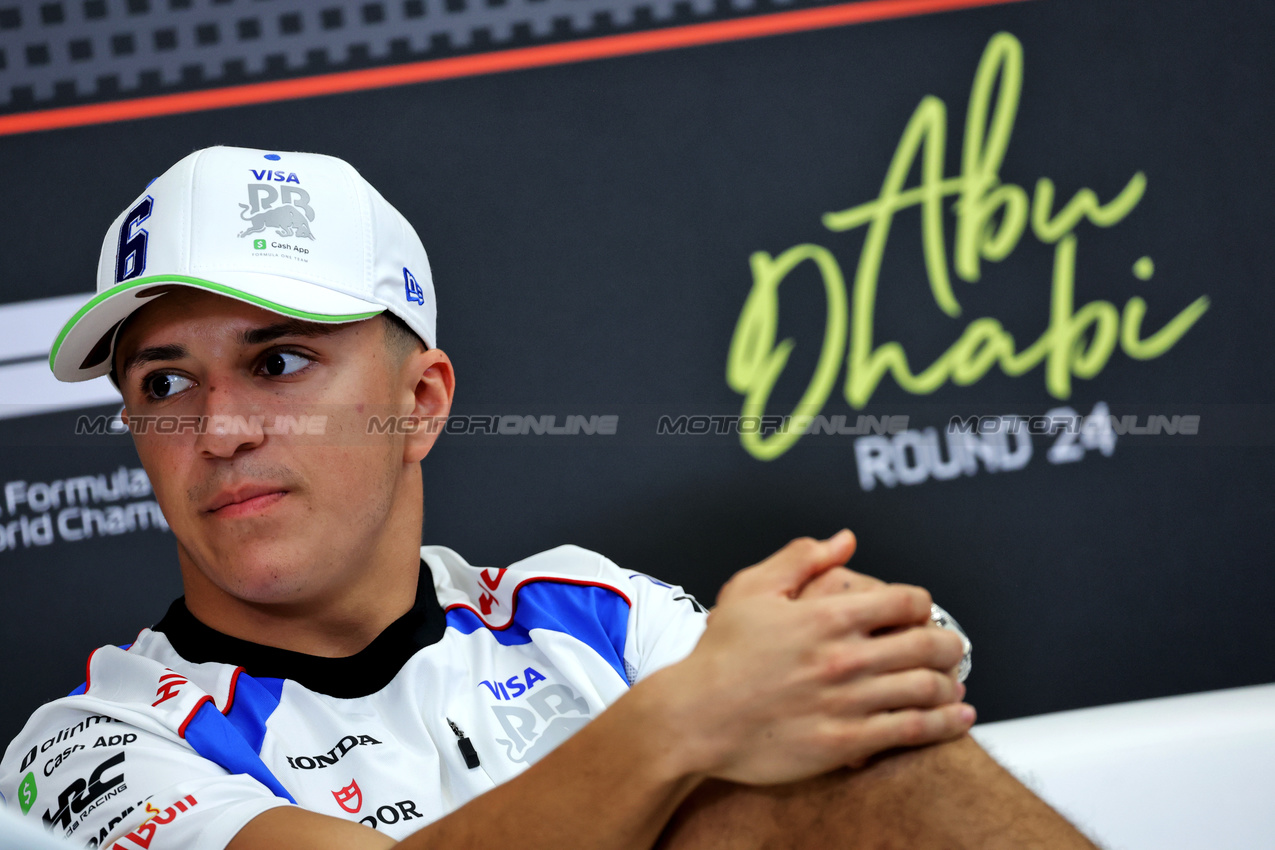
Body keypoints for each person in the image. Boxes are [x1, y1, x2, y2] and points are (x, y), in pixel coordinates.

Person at [1, 146, 1094, 850]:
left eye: (278, 363)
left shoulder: (587, 611)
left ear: (421, 404)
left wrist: (856, 657)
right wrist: (679, 724)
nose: (221, 427)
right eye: (165, 383)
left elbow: (819, 717)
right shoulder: (86, 748)